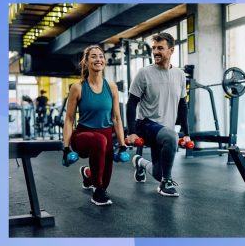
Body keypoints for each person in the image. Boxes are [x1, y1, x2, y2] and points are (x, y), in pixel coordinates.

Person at [126, 33, 190, 197]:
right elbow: (131, 103)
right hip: (146, 124)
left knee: (157, 173)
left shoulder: (180, 75)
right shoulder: (144, 73)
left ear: (171, 50)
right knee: (171, 136)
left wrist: (187, 134)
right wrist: (132, 132)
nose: (155, 52)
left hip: (164, 128)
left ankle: (139, 162)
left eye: (160, 48)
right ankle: (166, 183)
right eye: (154, 48)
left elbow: (183, 105)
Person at [63, 45, 126, 206]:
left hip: (105, 137)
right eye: (93, 56)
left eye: (101, 56)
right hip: (83, 136)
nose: (98, 59)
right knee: (100, 186)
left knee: (105, 182)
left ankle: (88, 174)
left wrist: (123, 145)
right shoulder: (77, 88)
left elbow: (117, 118)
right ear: (86, 61)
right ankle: (96, 192)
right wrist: (66, 148)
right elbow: (69, 119)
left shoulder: (111, 87)